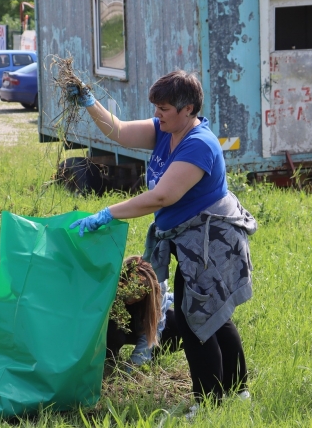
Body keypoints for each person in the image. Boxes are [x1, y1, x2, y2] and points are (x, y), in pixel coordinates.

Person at [66, 71, 256, 414]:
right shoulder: (165, 130)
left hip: (213, 241)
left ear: (188, 108)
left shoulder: (198, 143)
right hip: (190, 238)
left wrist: (108, 212)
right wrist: (90, 103)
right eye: (156, 106)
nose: (157, 113)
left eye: (164, 107)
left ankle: (208, 402)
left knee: (192, 317)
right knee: (212, 311)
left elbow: (162, 196)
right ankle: (238, 391)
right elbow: (121, 133)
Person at [106, 256, 181, 369]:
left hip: (140, 325)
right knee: (113, 330)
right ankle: (109, 358)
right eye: (130, 290)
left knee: (177, 323)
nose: (132, 298)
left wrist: (134, 364)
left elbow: (152, 330)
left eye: (139, 293)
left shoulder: (158, 288)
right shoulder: (112, 283)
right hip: (119, 326)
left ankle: (149, 359)